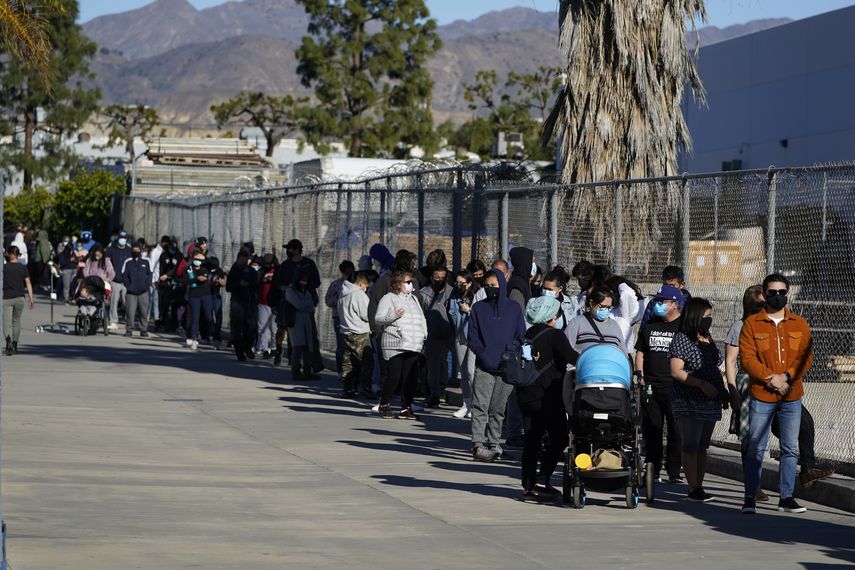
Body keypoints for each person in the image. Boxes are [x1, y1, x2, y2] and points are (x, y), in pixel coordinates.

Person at [739, 274, 814, 515]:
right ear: (765, 293)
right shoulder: (752, 324)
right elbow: (748, 358)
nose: (778, 296)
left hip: (791, 395)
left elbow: (806, 356)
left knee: (790, 448)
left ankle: (787, 497)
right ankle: (750, 496)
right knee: (756, 447)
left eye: (782, 292)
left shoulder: (799, 324)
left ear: (787, 292)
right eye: (773, 292)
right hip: (763, 394)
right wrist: (771, 378)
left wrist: (787, 377)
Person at [669, 297, 727, 503]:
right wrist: (700, 384)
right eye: (707, 316)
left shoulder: (708, 339)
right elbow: (676, 371)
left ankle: (699, 485)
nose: (709, 320)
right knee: (691, 444)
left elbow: (718, 366)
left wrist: (723, 390)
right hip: (689, 399)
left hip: (710, 401)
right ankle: (692, 487)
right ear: (695, 316)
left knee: (702, 445)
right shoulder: (682, 339)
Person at [518, 296, 577, 499]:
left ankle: (528, 484)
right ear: (552, 315)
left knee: (532, 439)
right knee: (560, 436)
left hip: (526, 393)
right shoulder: (555, 335)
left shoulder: (528, 333)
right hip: (548, 395)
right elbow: (572, 357)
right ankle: (543, 478)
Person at [467, 269, 526, 461]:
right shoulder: (478, 308)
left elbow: (520, 335)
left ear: (502, 285)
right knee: (480, 406)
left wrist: (511, 354)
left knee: (498, 409)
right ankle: (477, 443)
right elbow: (473, 337)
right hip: (485, 365)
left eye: (494, 285)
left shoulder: (514, 308)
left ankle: (494, 442)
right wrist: (483, 354)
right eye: (487, 286)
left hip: (506, 367)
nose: (490, 289)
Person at [635, 284, 685, 484]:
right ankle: (652, 468)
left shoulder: (683, 326)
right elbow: (640, 352)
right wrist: (640, 374)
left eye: (662, 301)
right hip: (651, 385)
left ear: (674, 304)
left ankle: (674, 470)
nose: (658, 304)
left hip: (675, 387)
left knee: (675, 429)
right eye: (657, 300)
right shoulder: (650, 325)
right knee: (653, 429)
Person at [375, 269, 427, 419]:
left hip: (413, 343)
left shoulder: (414, 299)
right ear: (398, 284)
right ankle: (384, 404)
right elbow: (378, 318)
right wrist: (393, 315)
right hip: (395, 343)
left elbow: (421, 318)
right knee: (395, 376)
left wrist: (424, 334)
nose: (411, 285)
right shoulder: (388, 298)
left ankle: (406, 408)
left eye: (411, 282)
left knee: (410, 378)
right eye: (408, 282)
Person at [270, 239, 322, 369]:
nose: (289, 252)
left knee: (310, 334)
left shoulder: (308, 264)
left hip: (305, 304)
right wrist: (275, 301)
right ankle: (293, 363)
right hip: (289, 305)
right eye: (288, 249)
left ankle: (314, 363)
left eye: (291, 249)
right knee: (290, 334)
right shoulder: (284, 266)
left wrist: (303, 288)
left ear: (298, 250)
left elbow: (316, 282)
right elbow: (277, 284)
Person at [419, 265, 454, 408]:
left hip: (450, 333)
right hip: (432, 334)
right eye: (436, 278)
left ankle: (443, 389)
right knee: (433, 366)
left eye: (442, 278)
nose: (440, 280)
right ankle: (434, 394)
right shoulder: (424, 293)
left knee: (445, 362)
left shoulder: (452, 292)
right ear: (431, 278)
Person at [337, 271, 373, 398]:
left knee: (349, 362)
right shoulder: (359, 294)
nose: (366, 289)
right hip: (360, 332)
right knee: (366, 361)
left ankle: (348, 388)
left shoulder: (343, 292)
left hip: (346, 331)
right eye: (366, 286)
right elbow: (366, 314)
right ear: (360, 284)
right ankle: (365, 388)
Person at [447, 270, 476, 419]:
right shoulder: (455, 296)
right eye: (456, 283)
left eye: (462, 283)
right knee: (463, 373)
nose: (458, 285)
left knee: (472, 372)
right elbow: (452, 314)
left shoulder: (476, 297)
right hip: (460, 337)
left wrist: (468, 310)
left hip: (474, 338)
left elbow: (479, 318)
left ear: (469, 283)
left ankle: (476, 404)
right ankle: (466, 404)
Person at [565, 285, 625, 355]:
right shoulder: (576, 323)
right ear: (591, 303)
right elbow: (566, 352)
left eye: (609, 307)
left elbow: (623, 353)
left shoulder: (615, 326)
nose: (606, 310)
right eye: (602, 306)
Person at [284, 269, 320, 381]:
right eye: (302, 280)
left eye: (306, 281)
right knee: (297, 347)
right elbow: (299, 304)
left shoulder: (306, 291)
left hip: (306, 320)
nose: (304, 283)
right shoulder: (290, 291)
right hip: (295, 321)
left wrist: (305, 305)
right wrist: (305, 305)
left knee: (308, 347)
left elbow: (311, 305)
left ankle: (308, 371)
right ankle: (296, 372)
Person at [226, 248, 259, 361]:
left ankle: (248, 346)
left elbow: (256, 286)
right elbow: (228, 287)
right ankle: (240, 352)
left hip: (250, 303)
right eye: (243, 258)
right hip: (237, 303)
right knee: (237, 329)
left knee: (252, 326)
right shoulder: (234, 270)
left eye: (247, 258)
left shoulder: (252, 271)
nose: (245, 260)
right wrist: (239, 284)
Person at [325, 260, 355, 379]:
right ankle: (340, 370)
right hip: (340, 317)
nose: (349, 276)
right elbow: (328, 300)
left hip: (354, 318)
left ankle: (353, 370)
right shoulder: (337, 285)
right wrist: (339, 299)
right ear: (342, 273)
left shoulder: (357, 284)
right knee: (341, 345)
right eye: (346, 273)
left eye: (351, 273)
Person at [3, 245, 34, 355]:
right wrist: (31, 298)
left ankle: (8, 342)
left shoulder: (4, 268)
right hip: (20, 298)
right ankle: (15, 345)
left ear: (11, 254)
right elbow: (28, 283)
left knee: (6, 323)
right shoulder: (23, 267)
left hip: (6, 298)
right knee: (16, 321)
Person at [182, 250, 213, 351]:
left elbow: (214, 264)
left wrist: (204, 258)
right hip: (194, 296)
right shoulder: (188, 269)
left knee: (209, 317)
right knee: (195, 318)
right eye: (196, 259)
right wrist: (196, 279)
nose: (198, 261)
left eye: (200, 259)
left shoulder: (205, 267)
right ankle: (194, 339)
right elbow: (186, 281)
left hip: (206, 295)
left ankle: (211, 336)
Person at [121, 241, 152, 337]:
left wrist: (146, 285)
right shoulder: (128, 262)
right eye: (134, 249)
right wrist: (128, 285)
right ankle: (129, 330)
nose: (136, 251)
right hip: (131, 292)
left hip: (143, 292)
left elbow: (150, 274)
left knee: (144, 312)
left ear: (141, 250)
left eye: (138, 249)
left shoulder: (146, 261)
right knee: (130, 312)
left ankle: (143, 330)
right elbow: (124, 275)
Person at [106, 230, 132, 330]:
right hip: (115, 280)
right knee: (114, 301)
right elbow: (107, 263)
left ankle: (129, 321)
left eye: (124, 238)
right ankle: (113, 321)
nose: (123, 240)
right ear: (117, 237)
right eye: (121, 238)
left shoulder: (130, 250)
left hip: (126, 281)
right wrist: (109, 276)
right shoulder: (111, 249)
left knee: (128, 302)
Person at [255, 253, 278, 358]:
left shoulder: (278, 271)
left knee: (274, 328)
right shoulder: (261, 272)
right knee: (262, 327)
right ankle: (264, 348)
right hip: (262, 302)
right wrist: (262, 280)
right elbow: (256, 283)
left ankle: (274, 347)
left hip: (274, 303)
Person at [507, 247, 535, 311]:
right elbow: (518, 314)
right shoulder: (517, 286)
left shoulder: (523, 282)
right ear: (525, 262)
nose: (533, 265)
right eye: (532, 262)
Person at [56, 236, 77, 302]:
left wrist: (76, 259)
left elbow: (76, 260)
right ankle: (65, 298)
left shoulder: (73, 252)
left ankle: (72, 298)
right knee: (66, 286)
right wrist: (70, 260)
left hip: (74, 269)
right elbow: (62, 262)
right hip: (66, 270)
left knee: (73, 285)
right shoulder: (62, 251)